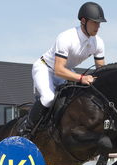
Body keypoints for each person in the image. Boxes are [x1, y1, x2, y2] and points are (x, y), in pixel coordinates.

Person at [19, 2, 107, 138]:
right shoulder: (67, 37)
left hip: (66, 71)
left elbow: (101, 70)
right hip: (45, 68)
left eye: (99, 23)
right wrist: (82, 78)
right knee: (48, 98)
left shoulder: (98, 42)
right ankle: (26, 130)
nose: (98, 27)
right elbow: (58, 70)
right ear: (83, 21)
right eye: (95, 22)